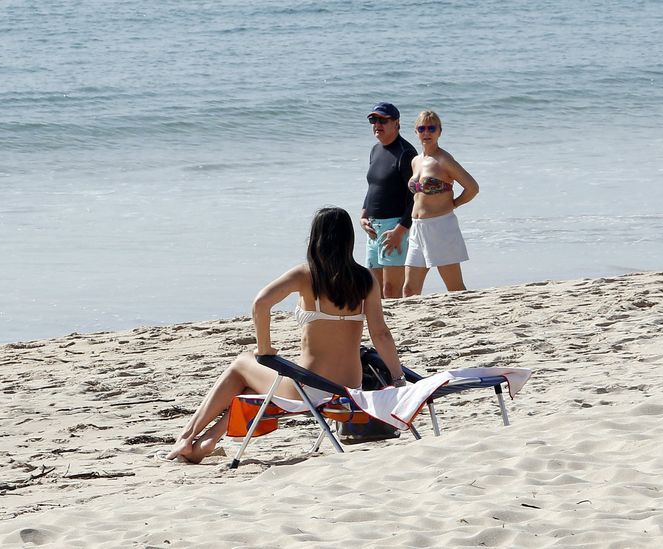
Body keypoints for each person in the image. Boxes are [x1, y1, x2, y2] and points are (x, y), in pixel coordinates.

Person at [166, 207, 404, 464]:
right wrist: (397, 377)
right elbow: (380, 333)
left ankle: (186, 437)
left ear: (316, 239)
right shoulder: (366, 278)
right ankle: (208, 441)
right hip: (348, 389)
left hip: (308, 389)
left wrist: (264, 350)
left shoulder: (306, 274)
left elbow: (260, 304)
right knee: (250, 382)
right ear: (349, 239)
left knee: (242, 364)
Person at [402, 110, 479, 297]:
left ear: (439, 132)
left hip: (441, 227)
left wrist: (454, 204)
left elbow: (472, 187)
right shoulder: (415, 161)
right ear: (416, 132)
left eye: (431, 128)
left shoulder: (444, 160)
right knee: (409, 289)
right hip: (417, 228)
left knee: (455, 287)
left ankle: (465, 319)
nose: (426, 132)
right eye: (422, 128)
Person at [361, 102, 417, 299]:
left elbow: (416, 197)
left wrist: (400, 230)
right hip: (373, 229)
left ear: (397, 123)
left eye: (383, 120)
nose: (377, 124)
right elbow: (373, 186)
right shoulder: (375, 150)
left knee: (391, 290)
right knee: (375, 290)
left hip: (395, 227)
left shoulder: (406, 153)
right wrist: (363, 214)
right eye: (373, 120)